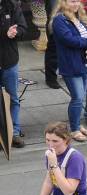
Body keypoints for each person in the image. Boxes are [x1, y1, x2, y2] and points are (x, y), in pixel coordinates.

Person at [50, 0, 87, 142]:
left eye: (77, 1)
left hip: (84, 62)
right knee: (77, 98)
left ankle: (76, 124)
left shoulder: (80, 16)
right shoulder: (59, 20)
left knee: (80, 98)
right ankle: (74, 130)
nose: (75, 4)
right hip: (70, 64)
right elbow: (69, 39)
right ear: (63, 2)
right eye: (72, 1)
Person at [1, 0, 28, 148]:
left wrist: (16, 32)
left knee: (13, 98)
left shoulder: (12, 5)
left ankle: (14, 132)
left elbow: (24, 28)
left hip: (9, 60)